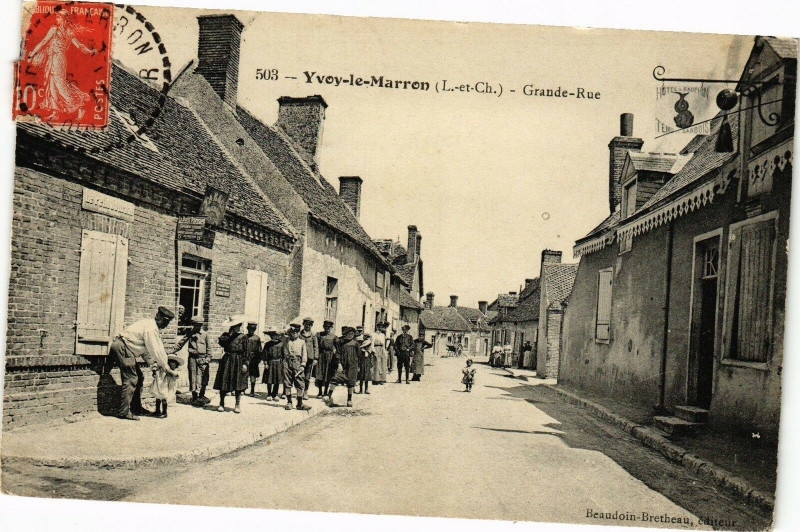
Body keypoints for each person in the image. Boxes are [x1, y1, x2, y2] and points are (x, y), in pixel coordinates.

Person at [109, 306, 175, 421]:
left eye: (167, 322)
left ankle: (136, 408)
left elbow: (146, 351)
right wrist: (166, 368)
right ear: (158, 317)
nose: (166, 324)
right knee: (131, 379)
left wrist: (152, 364)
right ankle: (123, 412)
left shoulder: (151, 327)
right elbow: (156, 350)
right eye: (164, 321)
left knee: (139, 377)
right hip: (123, 347)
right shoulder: (151, 328)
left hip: (127, 348)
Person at [214, 315, 250, 413]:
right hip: (227, 360)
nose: (236, 328)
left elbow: (246, 352)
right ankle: (221, 403)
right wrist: (229, 334)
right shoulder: (226, 335)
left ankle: (237, 405)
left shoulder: (244, 337)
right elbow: (222, 343)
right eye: (233, 326)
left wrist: (245, 364)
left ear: (240, 326)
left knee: (238, 383)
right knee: (224, 381)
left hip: (238, 360)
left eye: (237, 326)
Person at [173, 316, 210, 405]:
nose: (198, 327)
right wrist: (172, 351)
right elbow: (180, 344)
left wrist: (208, 358)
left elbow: (209, 347)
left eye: (200, 325)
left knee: (204, 377)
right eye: (196, 325)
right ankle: (194, 396)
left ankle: (202, 395)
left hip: (203, 358)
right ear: (193, 325)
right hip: (192, 358)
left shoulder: (205, 334)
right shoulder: (189, 333)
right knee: (193, 376)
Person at [327, 326, 358, 407]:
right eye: (349, 334)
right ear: (346, 334)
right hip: (342, 365)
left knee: (351, 383)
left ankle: (349, 400)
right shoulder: (341, 343)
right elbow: (338, 354)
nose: (350, 335)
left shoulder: (355, 343)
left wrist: (358, 366)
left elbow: (359, 356)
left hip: (352, 365)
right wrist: (339, 364)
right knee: (335, 379)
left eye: (352, 334)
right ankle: (328, 396)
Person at [283, 323, 311, 411]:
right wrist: (288, 330)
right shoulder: (286, 340)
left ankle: (299, 403)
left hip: (298, 363)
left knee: (300, 383)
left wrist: (303, 365)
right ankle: (289, 402)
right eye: (293, 332)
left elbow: (304, 354)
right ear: (290, 332)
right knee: (287, 382)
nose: (295, 333)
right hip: (287, 362)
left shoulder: (302, 342)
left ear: (299, 332)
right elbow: (280, 333)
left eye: (297, 332)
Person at [261, 329, 285, 401]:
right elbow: (264, 354)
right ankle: (269, 394)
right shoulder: (267, 344)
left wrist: (283, 363)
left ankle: (276, 394)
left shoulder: (281, 344)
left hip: (278, 363)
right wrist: (265, 363)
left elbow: (283, 355)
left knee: (277, 380)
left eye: (276, 335)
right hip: (270, 363)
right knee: (270, 379)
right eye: (272, 335)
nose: (274, 336)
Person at [315, 320, 336, 398]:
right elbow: (315, 345)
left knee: (328, 374)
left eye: (329, 327)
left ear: (331, 328)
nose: (328, 328)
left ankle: (325, 392)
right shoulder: (319, 335)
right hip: (321, 355)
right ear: (323, 327)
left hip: (330, 357)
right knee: (320, 374)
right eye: (326, 327)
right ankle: (320, 392)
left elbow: (338, 346)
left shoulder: (333, 336)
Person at [299, 317, 319, 400]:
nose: (308, 326)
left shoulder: (313, 335)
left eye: (309, 325)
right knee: (300, 375)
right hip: (300, 358)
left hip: (310, 358)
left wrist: (315, 358)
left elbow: (316, 347)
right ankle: (299, 391)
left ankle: (306, 392)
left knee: (307, 377)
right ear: (303, 324)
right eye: (306, 324)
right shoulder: (299, 334)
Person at [245, 322, 263, 397]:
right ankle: (243, 389)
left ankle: (252, 390)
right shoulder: (244, 337)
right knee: (244, 374)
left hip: (254, 359)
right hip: (245, 358)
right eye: (250, 329)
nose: (251, 330)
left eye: (253, 329)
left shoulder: (257, 338)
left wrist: (258, 360)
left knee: (253, 375)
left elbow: (259, 349)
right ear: (247, 329)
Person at [356, 327, 373, 394]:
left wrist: (367, 351)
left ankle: (366, 389)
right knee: (361, 374)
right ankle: (361, 389)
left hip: (367, 358)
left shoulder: (368, 342)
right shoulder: (360, 341)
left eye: (367, 337)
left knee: (366, 374)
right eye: (365, 337)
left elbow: (370, 350)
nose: (366, 338)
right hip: (362, 358)